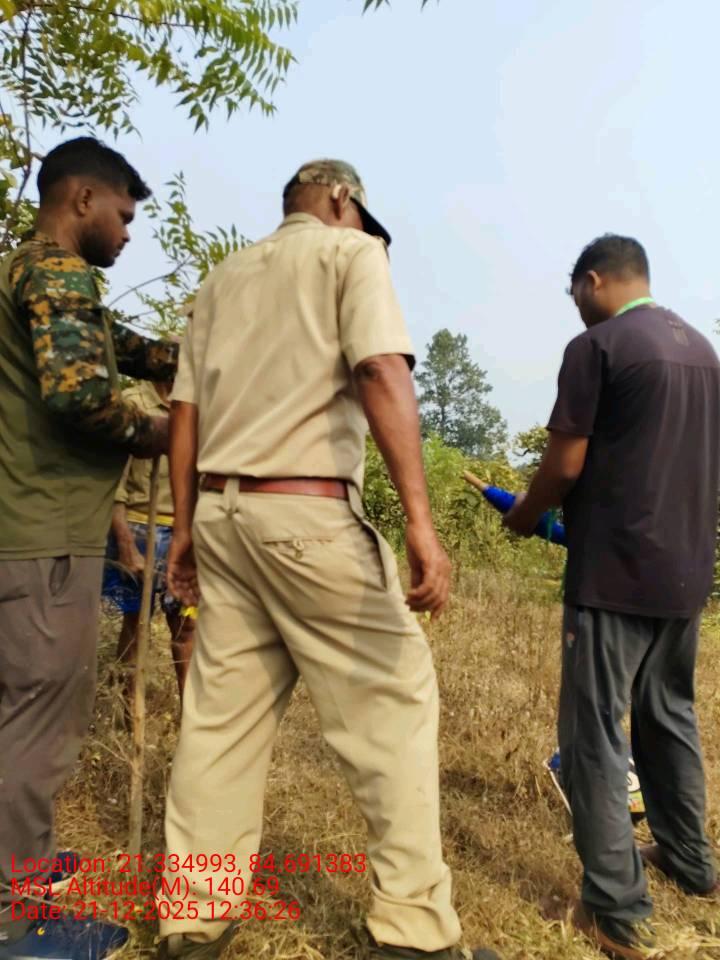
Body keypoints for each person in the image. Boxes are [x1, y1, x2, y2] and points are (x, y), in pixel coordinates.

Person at [159, 160, 501, 960]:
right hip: (305, 513)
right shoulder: (352, 254)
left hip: (223, 514)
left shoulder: (222, 278)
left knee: (220, 723)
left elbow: (185, 410)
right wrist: (420, 522)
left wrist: (184, 527)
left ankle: (194, 919)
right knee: (394, 700)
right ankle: (414, 932)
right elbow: (380, 368)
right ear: (343, 201)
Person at [504, 235, 720, 960]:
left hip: (615, 574)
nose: (576, 308)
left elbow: (565, 463)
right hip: (685, 571)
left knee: (593, 735)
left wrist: (525, 514)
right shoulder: (702, 352)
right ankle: (690, 861)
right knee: (669, 716)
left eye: (575, 294)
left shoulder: (597, 348)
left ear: (593, 281)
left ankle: (614, 912)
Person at [0, 137, 177, 959]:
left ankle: (24, 863)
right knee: (38, 726)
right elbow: (81, 398)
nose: (128, 233)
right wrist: (163, 433)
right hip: (46, 535)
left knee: (16, 712)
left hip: (23, 531)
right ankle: (15, 921)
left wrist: (199, 358)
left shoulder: (25, 272)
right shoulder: (58, 272)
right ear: (82, 201)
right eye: (124, 215)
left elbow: (127, 349)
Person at [103, 377, 195, 712]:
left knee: (187, 626)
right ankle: (131, 715)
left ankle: (191, 719)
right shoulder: (132, 403)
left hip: (185, 530)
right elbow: (113, 483)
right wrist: (126, 544)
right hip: (140, 528)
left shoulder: (201, 404)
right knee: (136, 623)